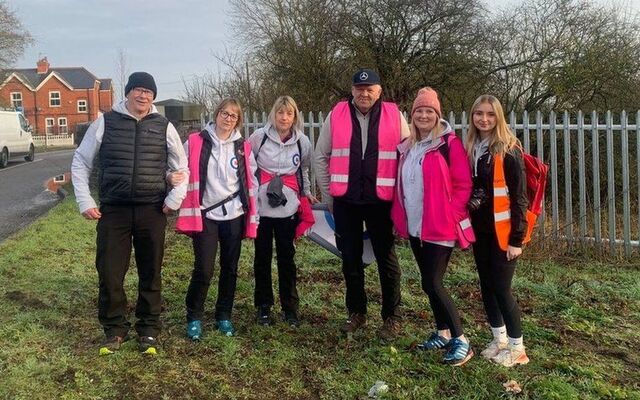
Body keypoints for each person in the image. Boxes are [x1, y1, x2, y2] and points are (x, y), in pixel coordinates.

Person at [71, 71, 188, 355]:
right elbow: (81, 161)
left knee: (151, 271)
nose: (143, 95)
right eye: (137, 89)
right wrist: (85, 200)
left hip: (152, 209)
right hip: (115, 210)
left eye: (148, 91)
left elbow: (181, 169)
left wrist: (174, 199)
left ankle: (148, 329)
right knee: (110, 272)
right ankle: (114, 329)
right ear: (128, 93)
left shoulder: (164, 126)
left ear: (153, 96)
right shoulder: (105, 122)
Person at [314, 68, 410, 340]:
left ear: (379, 91)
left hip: (382, 202)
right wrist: (330, 197)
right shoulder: (337, 115)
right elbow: (321, 156)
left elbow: (407, 158)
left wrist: (401, 200)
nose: (364, 93)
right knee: (350, 260)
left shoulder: (395, 115)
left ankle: (392, 318)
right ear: (352, 90)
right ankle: (357, 313)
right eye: (359, 88)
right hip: (346, 202)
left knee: (387, 261)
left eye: (370, 89)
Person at [390, 87, 475, 366]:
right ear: (412, 116)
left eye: (429, 111)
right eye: (419, 111)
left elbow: (463, 185)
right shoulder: (408, 146)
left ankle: (461, 340)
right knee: (428, 283)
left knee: (433, 282)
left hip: (440, 227)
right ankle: (443, 331)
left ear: (437, 115)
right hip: (416, 226)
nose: (424, 115)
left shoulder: (448, 145)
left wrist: (451, 214)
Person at [174, 98, 258, 340]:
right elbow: (178, 165)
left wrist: (254, 213)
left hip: (234, 215)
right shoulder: (196, 141)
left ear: (238, 120)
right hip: (206, 213)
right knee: (204, 269)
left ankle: (224, 315)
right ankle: (194, 316)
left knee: (230, 269)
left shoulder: (243, 147)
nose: (228, 118)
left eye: (233, 115)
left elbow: (251, 179)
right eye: (224, 113)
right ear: (216, 114)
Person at [463, 95, 530, 367]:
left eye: (490, 114)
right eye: (479, 113)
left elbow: (519, 198)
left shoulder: (510, 149)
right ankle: (499, 339)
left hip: (505, 234)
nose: (484, 119)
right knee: (487, 287)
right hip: (482, 232)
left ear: (499, 117)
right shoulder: (474, 147)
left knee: (502, 289)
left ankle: (517, 348)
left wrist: (517, 239)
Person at [248, 96, 317, 328]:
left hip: (288, 208)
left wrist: (306, 193)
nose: (284, 118)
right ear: (273, 114)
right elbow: (248, 168)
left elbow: (303, 170)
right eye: (280, 113)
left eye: (289, 114)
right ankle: (263, 306)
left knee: (287, 259)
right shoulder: (259, 137)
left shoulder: (302, 142)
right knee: (262, 258)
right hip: (262, 209)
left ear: (295, 116)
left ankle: (290, 308)